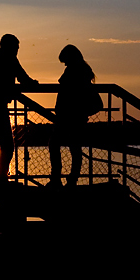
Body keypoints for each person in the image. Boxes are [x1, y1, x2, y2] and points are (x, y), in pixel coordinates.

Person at [0, 34, 38, 185]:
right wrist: (32, 84)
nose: (17, 50)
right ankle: (0, 177)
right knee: (6, 145)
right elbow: (23, 78)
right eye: (16, 47)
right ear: (9, 47)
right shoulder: (11, 61)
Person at [48, 44, 95, 188]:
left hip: (69, 117)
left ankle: (60, 178)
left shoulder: (76, 72)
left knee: (57, 144)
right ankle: (70, 179)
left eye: (65, 61)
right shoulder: (82, 71)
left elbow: (69, 93)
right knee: (73, 147)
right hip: (73, 116)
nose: (65, 64)